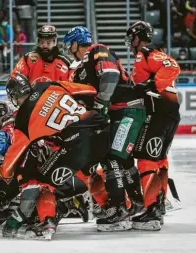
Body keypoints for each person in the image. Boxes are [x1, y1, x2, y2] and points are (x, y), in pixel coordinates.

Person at [0, 74, 110, 238]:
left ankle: (47, 222)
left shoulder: (23, 120)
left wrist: (4, 175)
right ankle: (113, 210)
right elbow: (90, 89)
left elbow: (10, 163)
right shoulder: (47, 85)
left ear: (14, 97)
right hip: (102, 130)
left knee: (43, 183)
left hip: (77, 145)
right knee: (89, 176)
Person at [63, 26, 146, 231]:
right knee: (122, 158)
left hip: (127, 109)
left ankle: (118, 210)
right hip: (117, 112)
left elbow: (109, 75)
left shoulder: (96, 50)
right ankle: (137, 203)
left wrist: (100, 103)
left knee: (112, 156)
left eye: (69, 44)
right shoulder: (79, 68)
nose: (67, 48)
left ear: (75, 43)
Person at [125, 21, 181, 231]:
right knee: (160, 158)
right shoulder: (150, 54)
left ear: (138, 37)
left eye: (131, 38)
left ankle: (152, 210)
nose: (130, 43)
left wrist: (152, 84)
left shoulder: (146, 53)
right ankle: (159, 204)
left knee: (147, 158)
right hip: (168, 113)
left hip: (158, 113)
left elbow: (172, 66)